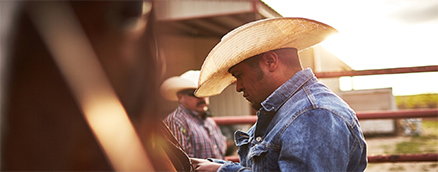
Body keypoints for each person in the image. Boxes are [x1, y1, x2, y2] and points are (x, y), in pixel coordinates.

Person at [191, 17, 368, 171]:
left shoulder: (313, 115)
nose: (238, 87)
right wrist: (217, 167)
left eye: (240, 75)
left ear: (270, 62)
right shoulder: (290, 111)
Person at [160, 70, 227, 159]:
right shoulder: (177, 121)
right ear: (180, 97)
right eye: (195, 93)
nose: (202, 97)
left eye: (205, 92)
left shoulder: (210, 122)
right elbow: (182, 162)